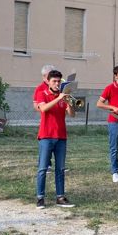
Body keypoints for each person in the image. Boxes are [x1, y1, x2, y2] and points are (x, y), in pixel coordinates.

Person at [34, 69, 75, 209]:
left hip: (61, 136)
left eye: (59, 81)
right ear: (48, 82)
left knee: (60, 168)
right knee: (42, 168)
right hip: (46, 136)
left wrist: (68, 101)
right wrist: (58, 98)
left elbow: (72, 115)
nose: (57, 84)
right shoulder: (42, 94)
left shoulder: (63, 97)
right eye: (54, 81)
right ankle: (40, 197)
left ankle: (60, 197)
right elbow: (44, 108)